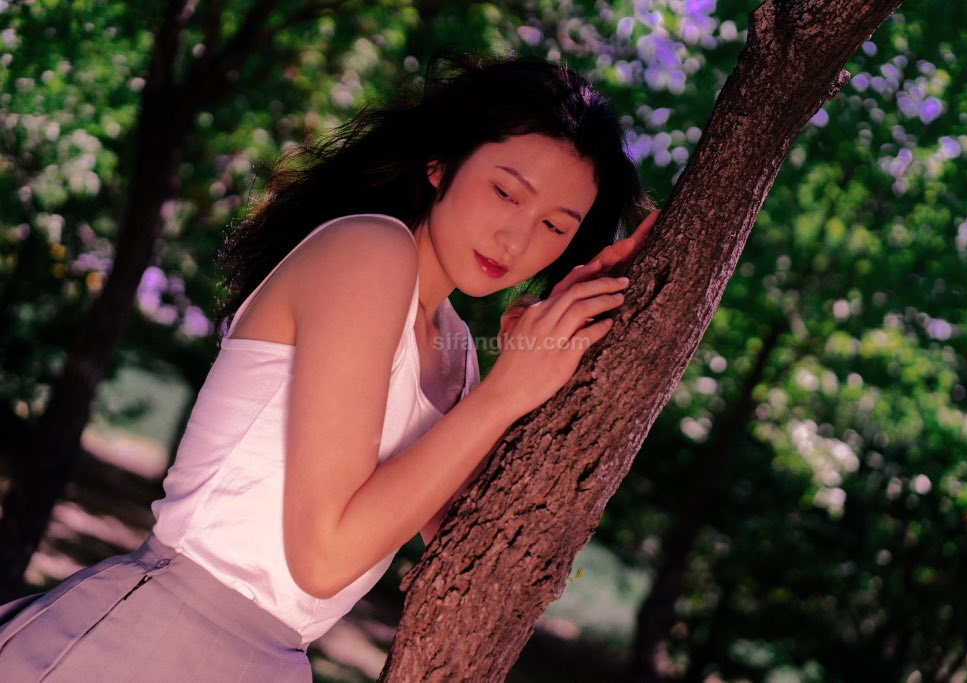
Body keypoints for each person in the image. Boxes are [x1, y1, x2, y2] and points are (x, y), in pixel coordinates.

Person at [0, 53, 655, 681]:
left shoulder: (456, 349)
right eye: (506, 192)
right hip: (153, 639)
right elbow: (322, 557)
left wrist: (529, 367)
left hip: (272, 663)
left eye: (555, 227)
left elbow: (464, 544)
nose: (516, 240)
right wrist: (502, 396)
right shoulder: (369, 252)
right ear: (441, 162)